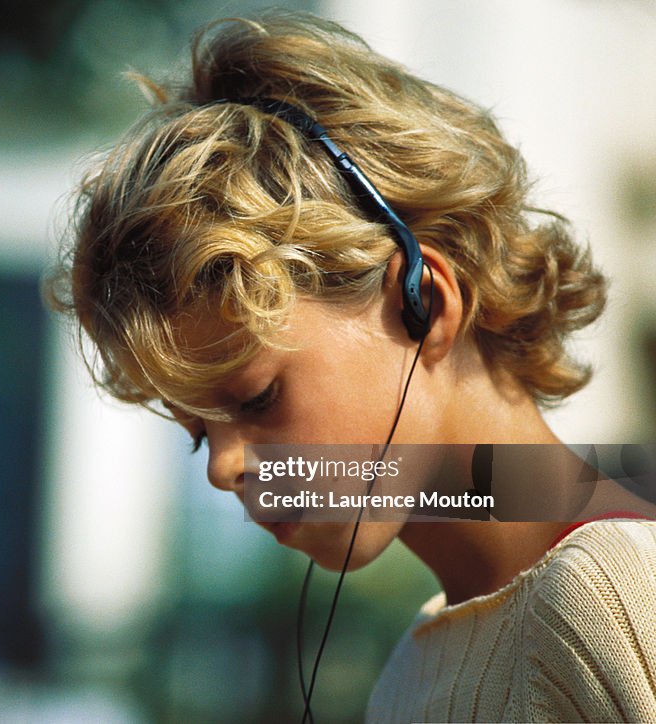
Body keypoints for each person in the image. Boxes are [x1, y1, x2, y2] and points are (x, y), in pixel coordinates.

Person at [47, 11, 656, 722]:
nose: (221, 468)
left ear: (425, 305)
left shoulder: (609, 591)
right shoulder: (416, 667)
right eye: (195, 433)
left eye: (256, 398)